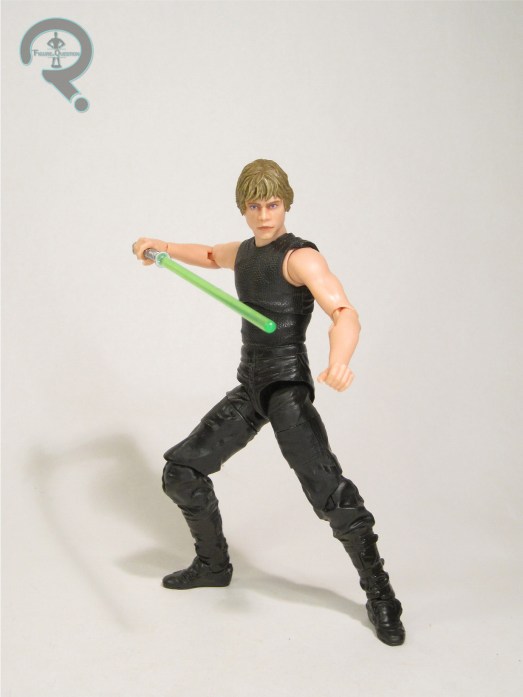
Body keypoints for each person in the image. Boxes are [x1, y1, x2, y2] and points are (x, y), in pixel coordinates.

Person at [132, 159, 405, 646]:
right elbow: (210, 254)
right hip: (250, 386)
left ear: (286, 204)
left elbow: (344, 311)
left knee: (330, 493)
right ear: (243, 208)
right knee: (182, 471)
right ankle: (213, 564)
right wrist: (162, 247)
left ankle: (381, 594)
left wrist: (339, 359)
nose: (263, 215)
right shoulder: (243, 253)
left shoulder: (300, 258)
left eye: (272, 205)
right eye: (254, 206)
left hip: (286, 389)